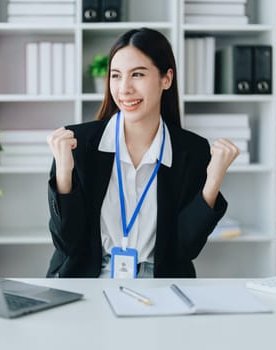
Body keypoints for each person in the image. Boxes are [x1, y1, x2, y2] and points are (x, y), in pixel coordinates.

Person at [46, 28, 239, 278]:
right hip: (89, 281)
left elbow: (185, 249)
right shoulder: (76, 144)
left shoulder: (191, 151)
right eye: (116, 76)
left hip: (159, 285)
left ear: (166, 79)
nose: (124, 88)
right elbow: (67, 244)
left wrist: (213, 181)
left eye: (137, 74)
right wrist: (64, 174)